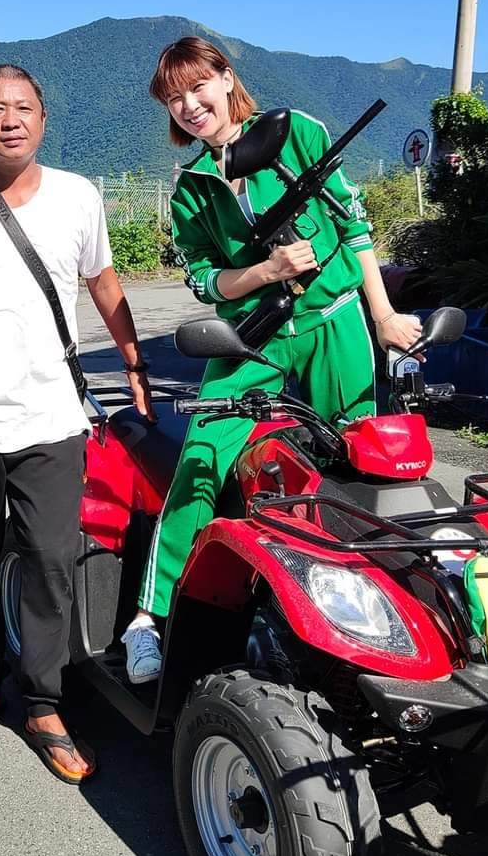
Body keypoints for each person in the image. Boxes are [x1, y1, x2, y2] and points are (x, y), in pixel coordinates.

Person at [121, 37, 421, 682]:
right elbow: (207, 282)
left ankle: (377, 617)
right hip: (252, 334)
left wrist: (384, 315)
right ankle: (150, 618)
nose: (189, 105)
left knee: (361, 461)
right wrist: (265, 269)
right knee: (201, 460)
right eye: (174, 99)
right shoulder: (191, 189)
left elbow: (356, 226)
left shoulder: (298, 134)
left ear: (227, 79)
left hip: (336, 321)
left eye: (198, 87)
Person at [0, 64, 154, 784]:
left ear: (44, 117)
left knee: (50, 561)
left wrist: (135, 365)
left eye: (23, 108)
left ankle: (44, 702)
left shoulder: (79, 196)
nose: (10, 120)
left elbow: (104, 284)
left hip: (51, 418)